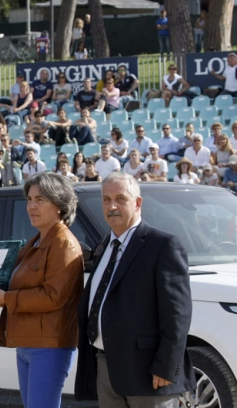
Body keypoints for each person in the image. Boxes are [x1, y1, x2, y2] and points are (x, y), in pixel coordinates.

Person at [75, 172, 196, 406]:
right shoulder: (104, 246)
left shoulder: (162, 245)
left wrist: (167, 366)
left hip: (148, 372)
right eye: (106, 199)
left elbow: (177, 315)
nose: (112, 206)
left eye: (120, 198)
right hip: (105, 367)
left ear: (138, 203)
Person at [0, 172, 83, 408]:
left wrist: (5, 299)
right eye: (29, 199)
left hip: (49, 346)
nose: (31, 206)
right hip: (29, 343)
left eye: (40, 200)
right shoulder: (36, 241)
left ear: (59, 205)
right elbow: (12, 280)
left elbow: (53, 296)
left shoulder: (63, 243)